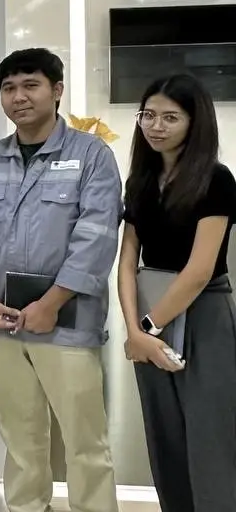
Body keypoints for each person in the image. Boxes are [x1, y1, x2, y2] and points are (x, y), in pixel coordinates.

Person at [0, 48, 121, 512]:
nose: (19, 97)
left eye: (30, 85)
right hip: (4, 319)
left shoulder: (91, 155)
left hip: (67, 320)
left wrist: (51, 303)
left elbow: (96, 235)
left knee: (85, 443)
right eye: (9, 88)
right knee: (20, 438)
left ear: (57, 90)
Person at [117, 73, 236, 511]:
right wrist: (134, 331)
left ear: (194, 122)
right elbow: (127, 261)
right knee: (164, 434)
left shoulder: (216, 180)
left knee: (210, 434)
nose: (156, 126)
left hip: (203, 315)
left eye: (170, 117)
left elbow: (200, 271)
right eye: (148, 115)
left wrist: (149, 327)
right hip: (149, 316)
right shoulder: (141, 180)